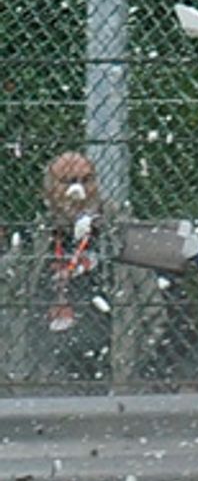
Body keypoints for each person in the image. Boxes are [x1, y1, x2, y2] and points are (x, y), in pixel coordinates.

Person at [2, 151, 127, 384]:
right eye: (68, 182)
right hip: (40, 368)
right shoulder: (33, 239)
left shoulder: (120, 234)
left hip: (108, 366)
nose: (78, 190)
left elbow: (151, 307)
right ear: (48, 192)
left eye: (86, 180)